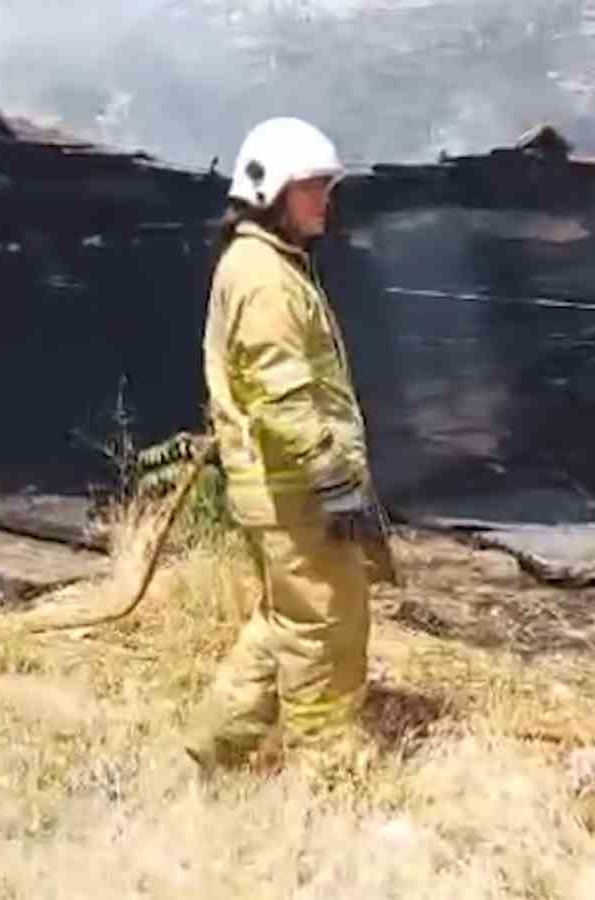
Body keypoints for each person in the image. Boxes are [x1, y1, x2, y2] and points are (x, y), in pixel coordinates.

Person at [185, 116, 392, 779]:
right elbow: (283, 397)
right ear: (270, 189)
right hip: (294, 489)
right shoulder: (264, 277)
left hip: (285, 486)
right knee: (323, 628)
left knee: (287, 621)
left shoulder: (267, 265)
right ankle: (325, 769)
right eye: (312, 187)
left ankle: (215, 748)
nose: (324, 199)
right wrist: (335, 482)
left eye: (326, 187)